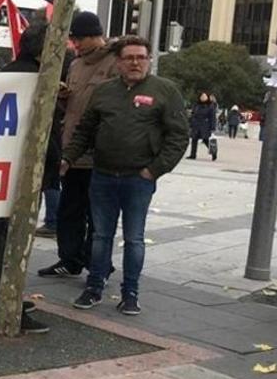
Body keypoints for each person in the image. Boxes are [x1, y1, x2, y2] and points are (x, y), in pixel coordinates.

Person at [63, 35, 189, 315]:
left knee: (134, 238)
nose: (135, 62)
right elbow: (85, 130)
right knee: (100, 236)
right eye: (129, 58)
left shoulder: (165, 90)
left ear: (149, 60)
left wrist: (154, 170)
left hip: (138, 180)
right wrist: (68, 158)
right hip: (103, 176)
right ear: (118, 63)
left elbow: (179, 136)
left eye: (141, 57)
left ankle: (130, 293)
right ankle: (94, 287)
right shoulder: (104, 91)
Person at [0, 23, 52, 333]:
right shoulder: (35, 80)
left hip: (3, 164)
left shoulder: (6, 75)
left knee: (3, 232)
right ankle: (3, 296)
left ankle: (0, 292)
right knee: (12, 233)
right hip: (22, 168)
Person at [38, 12, 116, 279]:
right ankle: (69, 259)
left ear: (96, 35)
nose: (76, 44)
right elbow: (71, 107)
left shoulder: (115, 62)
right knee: (69, 211)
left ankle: (98, 266)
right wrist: (63, 97)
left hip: (100, 155)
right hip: (72, 151)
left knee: (97, 217)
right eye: (73, 39)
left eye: (80, 38)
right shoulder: (75, 65)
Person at [188, 92, 218, 160]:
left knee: (206, 140)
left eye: (204, 96)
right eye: (202, 96)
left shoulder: (210, 106)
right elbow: (193, 114)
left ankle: (214, 153)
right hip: (196, 125)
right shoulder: (196, 105)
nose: (203, 98)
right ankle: (193, 155)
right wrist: (191, 122)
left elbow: (212, 117)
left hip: (205, 125)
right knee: (194, 140)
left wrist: (213, 127)